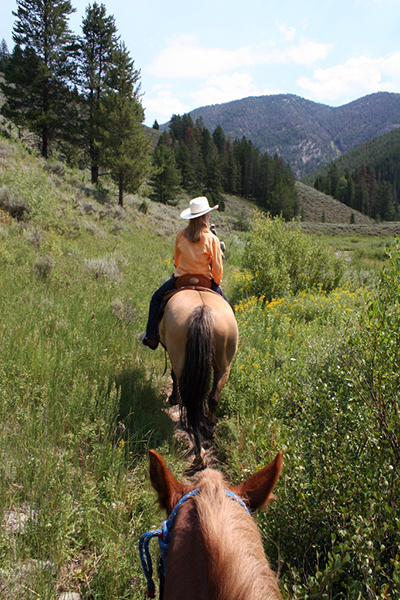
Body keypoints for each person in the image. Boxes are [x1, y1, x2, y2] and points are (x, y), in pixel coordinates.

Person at [141, 196, 225, 350]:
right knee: (227, 309)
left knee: (155, 299)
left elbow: (176, 261)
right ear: (206, 216)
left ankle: (151, 336)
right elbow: (218, 271)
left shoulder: (181, 235)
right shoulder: (212, 239)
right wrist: (216, 283)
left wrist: (183, 270)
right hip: (205, 281)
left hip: (181, 279)